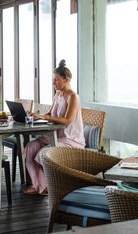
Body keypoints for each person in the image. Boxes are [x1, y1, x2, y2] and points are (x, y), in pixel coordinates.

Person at [23, 59, 85, 196]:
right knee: (30, 148)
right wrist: (38, 116)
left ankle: (48, 186)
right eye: (53, 80)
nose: (53, 83)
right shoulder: (58, 95)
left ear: (66, 79)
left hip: (70, 140)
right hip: (54, 136)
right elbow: (50, 114)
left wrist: (45, 118)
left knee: (43, 153)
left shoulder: (73, 97)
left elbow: (67, 121)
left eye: (56, 80)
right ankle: (39, 185)